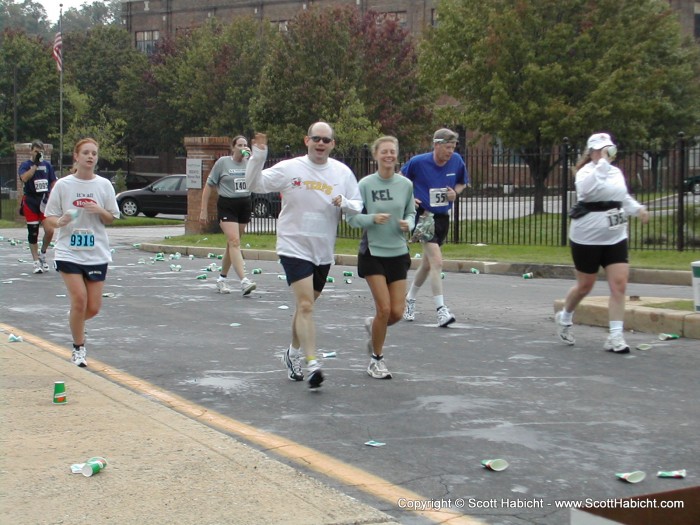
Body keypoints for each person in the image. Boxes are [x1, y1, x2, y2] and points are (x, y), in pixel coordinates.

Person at [245, 122, 362, 388]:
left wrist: (345, 203)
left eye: (326, 140)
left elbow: (357, 204)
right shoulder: (290, 168)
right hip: (293, 245)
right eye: (316, 139)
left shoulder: (342, 172)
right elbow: (255, 184)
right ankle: (312, 364)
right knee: (306, 305)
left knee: (304, 306)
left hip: (322, 250)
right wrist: (258, 157)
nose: (320, 144)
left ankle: (293, 353)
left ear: (332, 144)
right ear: (306, 140)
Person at [555, 132, 649, 354]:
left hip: (615, 236)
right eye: (602, 149)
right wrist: (602, 164)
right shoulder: (585, 173)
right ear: (593, 152)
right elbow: (587, 191)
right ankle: (565, 316)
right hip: (586, 237)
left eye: (609, 149)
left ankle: (615, 335)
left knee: (619, 285)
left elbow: (622, 197)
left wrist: (637, 209)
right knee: (585, 285)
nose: (608, 153)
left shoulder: (616, 172)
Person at [44, 138, 120, 367]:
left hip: (96, 251)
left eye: (94, 153)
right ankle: (79, 347)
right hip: (69, 251)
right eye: (85, 153)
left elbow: (112, 218)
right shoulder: (64, 185)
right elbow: (49, 219)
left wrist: (99, 210)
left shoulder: (104, 185)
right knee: (79, 299)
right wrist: (60, 222)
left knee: (93, 308)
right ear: (75, 157)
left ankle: (74, 321)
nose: (90, 157)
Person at [346, 136, 415, 379]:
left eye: (392, 152)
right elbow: (351, 218)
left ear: (397, 156)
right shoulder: (365, 184)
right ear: (376, 155)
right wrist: (371, 218)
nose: (389, 155)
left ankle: (373, 326)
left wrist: (410, 223)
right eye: (384, 151)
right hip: (373, 253)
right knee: (384, 309)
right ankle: (376, 360)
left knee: (396, 313)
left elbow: (411, 211)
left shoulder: (405, 184)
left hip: (398, 252)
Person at [401, 128, 468, 327]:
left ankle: (410, 299)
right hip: (423, 216)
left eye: (453, 147)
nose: (450, 151)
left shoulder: (456, 161)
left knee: (429, 264)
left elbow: (462, 183)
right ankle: (441, 310)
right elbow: (400, 181)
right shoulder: (418, 162)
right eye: (447, 147)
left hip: (442, 217)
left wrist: (455, 193)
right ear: (436, 145)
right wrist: (410, 198)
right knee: (437, 261)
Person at [199, 135, 256, 296]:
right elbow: (209, 186)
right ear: (233, 147)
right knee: (234, 242)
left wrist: (254, 161)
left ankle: (222, 279)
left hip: (244, 203)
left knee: (232, 245)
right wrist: (203, 210)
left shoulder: (249, 163)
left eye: (245, 145)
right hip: (227, 205)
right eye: (239, 145)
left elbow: (258, 179)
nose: (243, 148)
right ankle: (244, 281)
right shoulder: (223, 163)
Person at [18, 140, 57, 274]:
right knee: (33, 232)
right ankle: (35, 261)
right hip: (31, 201)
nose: (38, 154)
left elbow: (53, 182)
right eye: (36, 152)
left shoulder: (47, 166)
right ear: (31, 151)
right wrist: (34, 165)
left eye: (40, 152)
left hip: (44, 201)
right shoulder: (26, 165)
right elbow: (24, 178)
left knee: (50, 230)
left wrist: (52, 196)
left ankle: (43, 254)